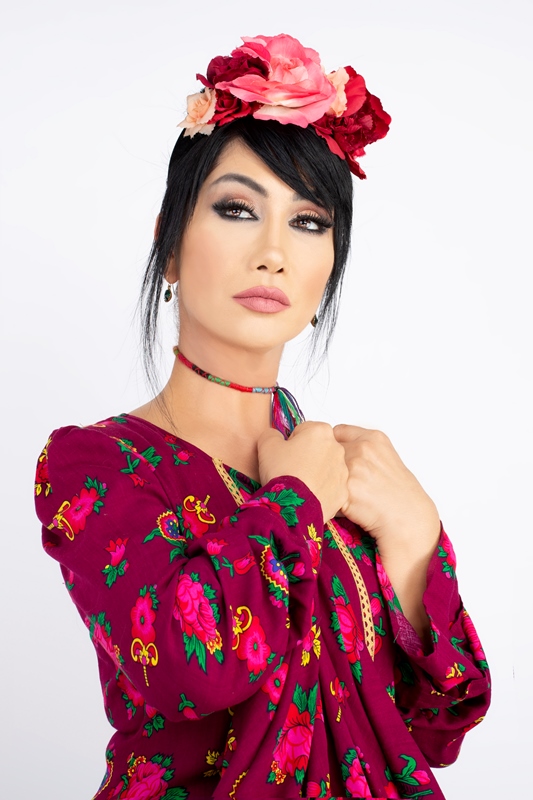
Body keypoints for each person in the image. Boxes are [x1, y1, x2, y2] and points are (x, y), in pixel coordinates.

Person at [34, 34, 491, 800]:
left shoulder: (355, 473)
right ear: (169, 244)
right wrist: (295, 503)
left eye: (308, 222)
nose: (274, 252)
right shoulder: (94, 466)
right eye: (238, 209)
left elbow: (434, 731)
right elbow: (188, 669)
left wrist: (415, 538)